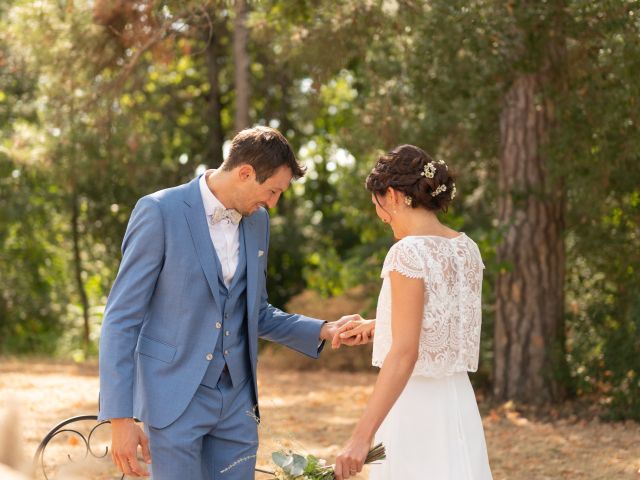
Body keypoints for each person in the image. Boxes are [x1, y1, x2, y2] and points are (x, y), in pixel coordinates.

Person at [98, 126, 361, 480]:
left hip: (237, 403)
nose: (272, 202)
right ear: (245, 173)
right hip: (172, 399)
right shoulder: (159, 211)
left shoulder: (258, 223)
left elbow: (256, 311)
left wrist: (325, 330)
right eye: (272, 191)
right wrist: (120, 418)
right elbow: (121, 319)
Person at [332, 145, 493, 479]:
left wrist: (360, 438)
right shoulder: (466, 249)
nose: (380, 216)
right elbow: (440, 321)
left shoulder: (407, 252)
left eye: (377, 205)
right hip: (457, 401)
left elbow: (405, 352)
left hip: (414, 405)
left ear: (392, 195)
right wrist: (378, 325)